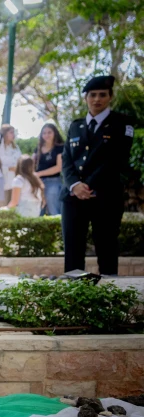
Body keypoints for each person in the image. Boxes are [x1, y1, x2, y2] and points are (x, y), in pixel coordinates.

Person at [61, 75, 135, 275]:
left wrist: (87, 186)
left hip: (105, 196)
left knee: (106, 248)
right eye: (92, 95)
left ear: (110, 96)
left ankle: (109, 295)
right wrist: (75, 185)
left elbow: (116, 160)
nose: (97, 99)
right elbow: (67, 160)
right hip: (73, 197)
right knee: (73, 249)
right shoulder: (75, 126)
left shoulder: (122, 124)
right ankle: (73, 295)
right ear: (86, 98)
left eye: (102, 95)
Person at [34, 123, 64, 216]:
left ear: (55, 133)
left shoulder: (59, 148)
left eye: (49, 132)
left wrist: (39, 173)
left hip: (53, 182)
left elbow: (59, 167)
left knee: (53, 210)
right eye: (44, 133)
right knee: (38, 211)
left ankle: (58, 230)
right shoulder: (38, 148)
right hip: (38, 182)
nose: (46, 135)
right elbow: (32, 164)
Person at [0, 124, 21, 207]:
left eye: (14, 132)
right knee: (1, 208)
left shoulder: (16, 147)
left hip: (14, 182)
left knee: (13, 208)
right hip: (2, 182)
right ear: (4, 133)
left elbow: (20, 161)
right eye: (11, 132)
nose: (13, 135)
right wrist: (9, 168)